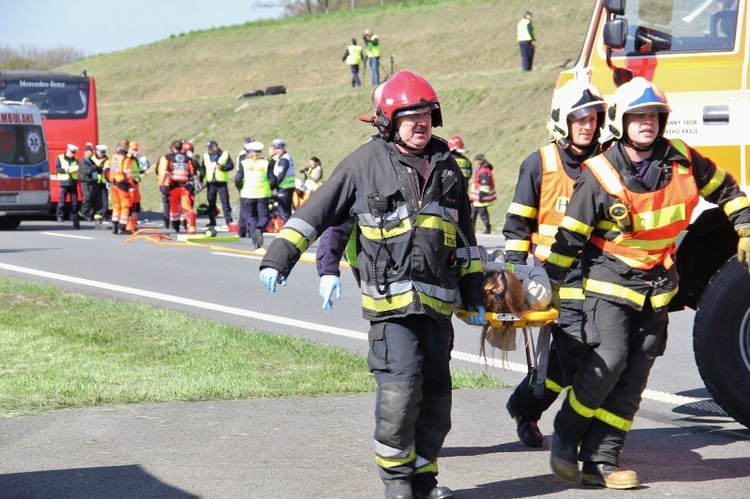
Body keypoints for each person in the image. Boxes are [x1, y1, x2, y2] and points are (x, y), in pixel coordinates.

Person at [260, 70, 486, 499]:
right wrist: (281, 257)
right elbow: (318, 210)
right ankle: (397, 483)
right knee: (400, 391)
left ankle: (424, 478)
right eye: (410, 116)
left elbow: (467, 236)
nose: (421, 122)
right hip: (390, 308)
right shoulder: (364, 163)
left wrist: (473, 293)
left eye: (426, 114)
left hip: (437, 308)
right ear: (387, 121)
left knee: (437, 398)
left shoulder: (448, 165)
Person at [543, 77, 750, 489]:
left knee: (634, 379)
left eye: (653, 116)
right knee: (609, 361)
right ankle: (566, 436)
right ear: (621, 121)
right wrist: (546, 286)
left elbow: (726, 188)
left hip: (658, 285)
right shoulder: (600, 172)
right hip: (609, 282)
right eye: (638, 117)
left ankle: (602, 461)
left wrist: (745, 223)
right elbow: (569, 238)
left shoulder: (683, 160)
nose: (647, 124)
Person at [502, 79, 607, 448]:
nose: (587, 125)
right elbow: (517, 227)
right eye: (579, 118)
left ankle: (523, 406)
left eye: (593, 118)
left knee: (570, 365)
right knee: (580, 360)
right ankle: (579, 436)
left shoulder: (608, 163)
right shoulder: (539, 164)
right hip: (555, 283)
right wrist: (515, 276)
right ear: (562, 120)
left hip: (604, 279)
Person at [235, 141, 272, 249]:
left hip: (248, 194)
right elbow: (273, 180)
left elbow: (238, 179)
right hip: (263, 194)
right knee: (264, 217)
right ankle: (260, 228)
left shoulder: (244, 163)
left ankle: (256, 242)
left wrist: (241, 188)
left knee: (252, 218)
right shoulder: (265, 163)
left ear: (249, 152)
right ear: (260, 152)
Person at [162, 140, 197, 234]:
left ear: (173, 149)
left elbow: (166, 172)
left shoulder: (170, 158)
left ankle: (175, 225)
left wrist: (162, 183)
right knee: (186, 206)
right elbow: (193, 172)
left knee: (174, 207)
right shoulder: (188, 159)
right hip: (184, 187)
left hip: (173, 186)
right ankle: (189, 225)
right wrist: (197, 182)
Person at [106, 140, 136, 235]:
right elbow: (128, 173)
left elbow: (107, 170)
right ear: (127, 147)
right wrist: (130, 185)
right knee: (125, 206)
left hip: (113, 183)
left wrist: (110, 180)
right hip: (122, 184)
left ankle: (114, 225)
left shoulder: (113, 157)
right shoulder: (125, 158)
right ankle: (122, 227)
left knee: (116, 205)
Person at [203, 140, 234, 227]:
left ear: (215, 147)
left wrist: (222, 167)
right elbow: (203, 168)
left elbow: (231, 166)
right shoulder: (206, 156)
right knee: (211, 202)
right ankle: (212, 221)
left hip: (221, 183)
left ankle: (228, 221)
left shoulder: (224, 154)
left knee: (225, 202)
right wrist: (201, 179)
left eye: (210, 148)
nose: (209, 150)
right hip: (211, 183)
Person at [55, 143, 80, 229]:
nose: (72, 154)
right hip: (64, 182)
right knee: (62, 201)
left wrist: (76, 169)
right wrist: (66, 170)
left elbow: (78, 168)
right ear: (67, 150)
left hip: (73, 182)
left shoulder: (75, 159)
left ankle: (73, 217)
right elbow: (57, 168)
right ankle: (60, 216)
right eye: (71, 152)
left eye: (74, 153)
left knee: (74, 202)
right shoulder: (60, 158)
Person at [469, 153, 496, 234]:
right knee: (473, 214)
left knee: (482, 214)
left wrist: (481, 195)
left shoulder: (483, 171)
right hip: (476, 197)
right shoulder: (482, 169)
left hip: (481, 198)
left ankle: (487, 229)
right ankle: (472, 230)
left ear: (479, 161)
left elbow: (485, 185)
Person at [270, 138, 295, 223]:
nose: (277, 151)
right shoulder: (285, 157)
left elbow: (281, 175)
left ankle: (287, 229)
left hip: (284, 188)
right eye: (275, 148)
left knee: (283, 211)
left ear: (284, 148)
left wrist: (273, 187)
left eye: (279, 149)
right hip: (288, 187)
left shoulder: (284, 159)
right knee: (286, 210)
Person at [77, 143, 98, 222]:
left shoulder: (91, 161)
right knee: (87, 200)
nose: (93, 152)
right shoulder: (82, 162)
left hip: (92, 183)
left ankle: (92, 216)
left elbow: (95, 171)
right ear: (86, 152)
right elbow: (89, 171)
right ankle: (79, 216)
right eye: (91, 151)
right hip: (86, 184)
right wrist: (97, 165)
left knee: (93, 200)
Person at [92, 144, 109, 229]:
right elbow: (93, 169)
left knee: (104, 201)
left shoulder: (107, 159)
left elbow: (108, 169)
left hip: (103, 182)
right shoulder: (93, 158)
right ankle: (94, 216)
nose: (102, 154)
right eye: (101, 152)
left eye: (103, 152)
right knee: (95, 201)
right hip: (95, 182)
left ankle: (104, 216)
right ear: (96, 151)